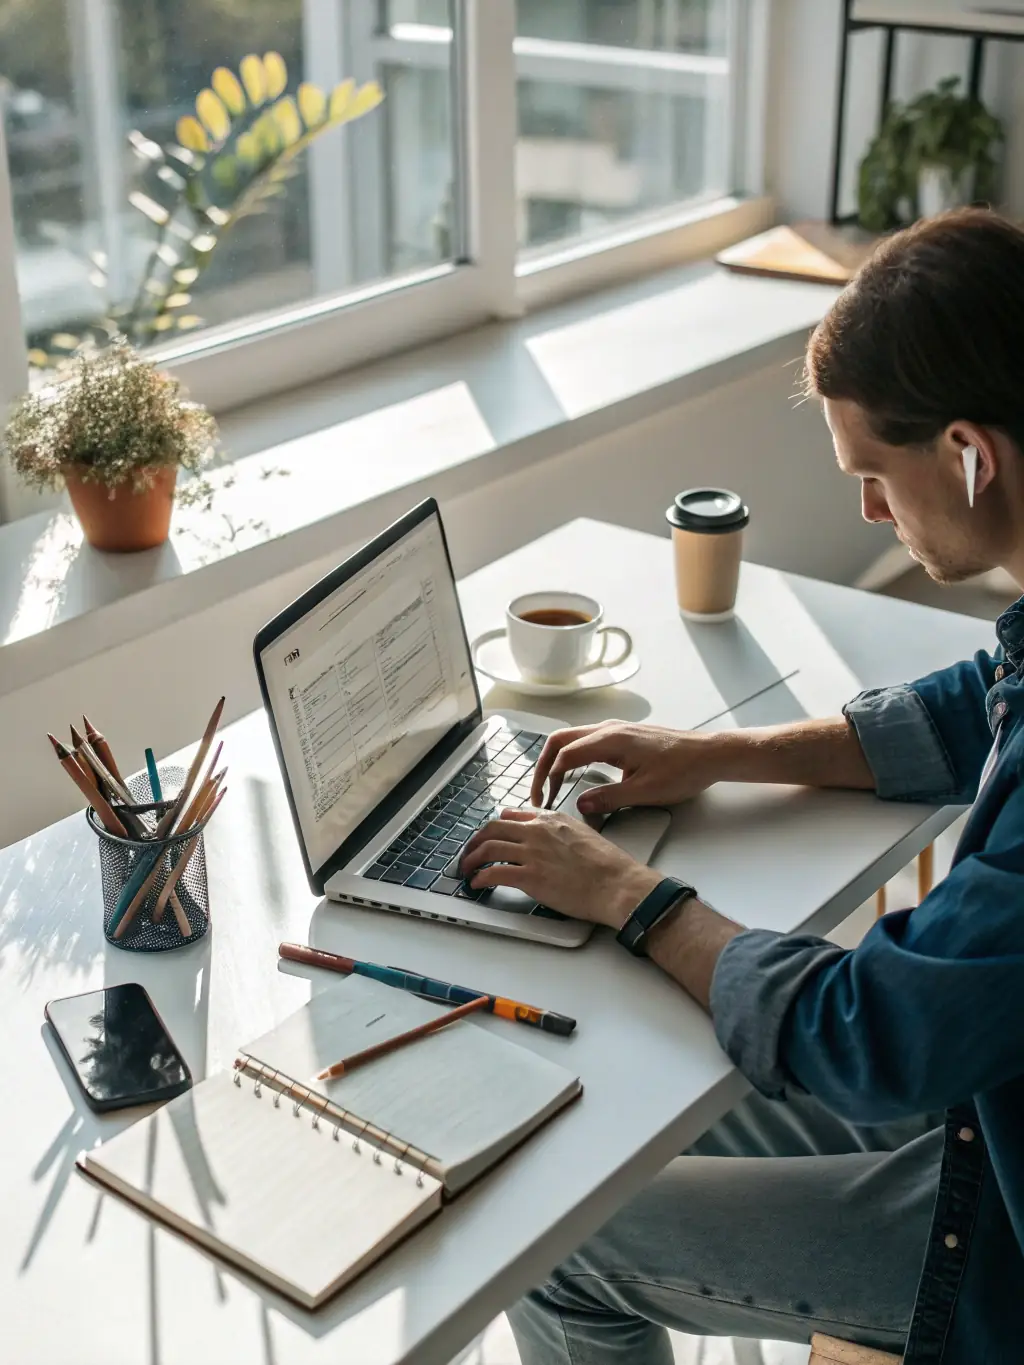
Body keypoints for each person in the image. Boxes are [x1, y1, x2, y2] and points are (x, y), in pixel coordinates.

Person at [457, 208, 1024, 1365]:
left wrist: (630, 898)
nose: (870, 511)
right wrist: (718, 753)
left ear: (971, 453)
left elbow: (873, 1035)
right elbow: (976, 704)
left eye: (875, 473)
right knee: (627, 1100)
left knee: (547, 1247)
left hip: (1002, 1238)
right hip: (985, 1087)